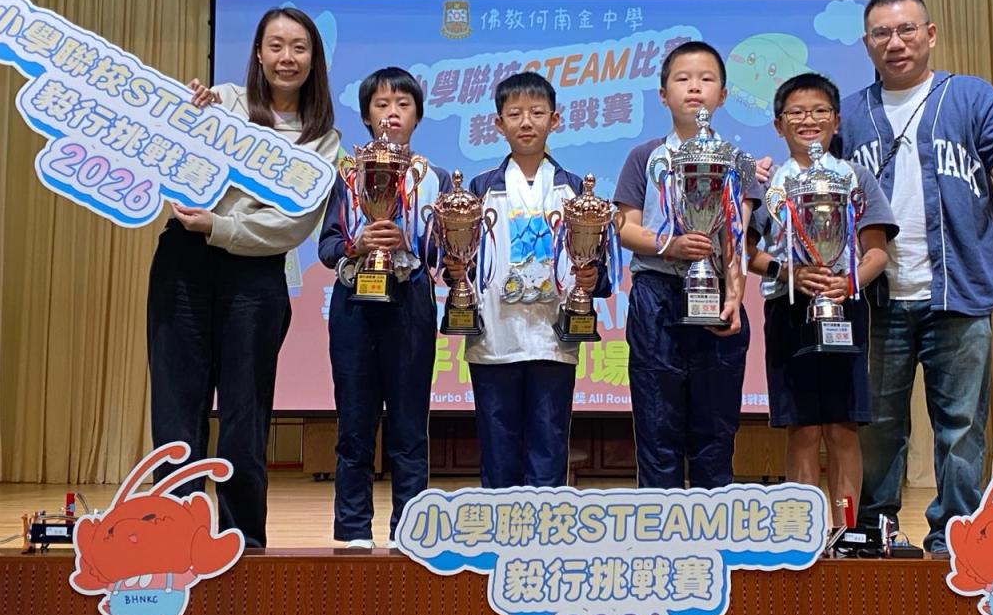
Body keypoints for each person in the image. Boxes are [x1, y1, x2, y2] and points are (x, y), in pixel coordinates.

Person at [839, 0, 993, 554]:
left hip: (959, 293)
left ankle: (955, 537)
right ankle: (874, 531)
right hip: (878, 299)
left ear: (930, 35)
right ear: (867, 43)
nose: (895, 42)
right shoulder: (849, 113)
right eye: (882, 33)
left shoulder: (971, 97)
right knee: (877, 427)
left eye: (907, 30)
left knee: (961, 428)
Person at [148, 6, 340, 548]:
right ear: (258, 53)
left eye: (299, 47)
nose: (287, 57)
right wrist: (184, 114)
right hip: (184, 262)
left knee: (244, 418)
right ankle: (174, 541)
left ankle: (243, 543)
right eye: (276, 45)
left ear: (314, 59)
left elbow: (291, 225)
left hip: (254, 277)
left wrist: (223, 225)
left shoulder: (323, 139)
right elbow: (173, 157)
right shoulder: (223, 102)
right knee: (176, 413)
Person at [612, 41, 764, 489]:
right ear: (663, 95)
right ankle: (659, 522)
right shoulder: (645, 156)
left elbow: (738, 238)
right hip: (656, 295)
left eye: (706, 79)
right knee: (656, 420)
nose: (694, 87)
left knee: (714, 427)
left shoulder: (738, 162)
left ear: (723, 94)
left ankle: (711, 522)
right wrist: (670, 245)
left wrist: (734, 297)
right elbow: (624, 228)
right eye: (682, 79)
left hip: (716, 293)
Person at [747, 73, 895, 525]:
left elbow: (876, 253)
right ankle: (805, 533)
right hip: (788, 310)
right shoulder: (768, 185)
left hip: (845, 310)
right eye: (796, 112)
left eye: (819, 111)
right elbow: (746, 252)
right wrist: (787, 272)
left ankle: (846, 532)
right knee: (803, 429)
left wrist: (848, 284)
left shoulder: (856, 178)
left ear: (836, 120)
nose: (808, 119)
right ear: (778, 125)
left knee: (843, 428)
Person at [455, 71, 611, 488]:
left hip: (552, 338)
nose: (526, 122)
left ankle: (546, 523)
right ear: (498, 123)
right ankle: (499, 522)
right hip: (494, 337)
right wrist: (457, 271)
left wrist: (591, 276)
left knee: (548, 443)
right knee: (497, 446)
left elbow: (599, 267)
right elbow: (464, 262)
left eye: (537, 113)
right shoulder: (480, 189)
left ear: (555, 120)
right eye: (515, 114)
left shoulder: (575, 190)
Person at [317, 67, 451, 549]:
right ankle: (353, 528)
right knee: (354, 422)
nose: (392, 114)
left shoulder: (433, 179)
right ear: (366, 116)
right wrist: (357, 244)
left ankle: (409, 529)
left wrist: (409, 241)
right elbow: (326, 246)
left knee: (410, 425)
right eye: (381, 104)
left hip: (410, 300)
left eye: (402, 105)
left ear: (417, 115)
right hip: (354, 301)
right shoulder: (346, 174)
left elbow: (442, 254)